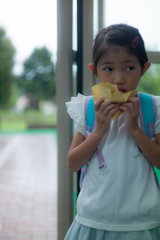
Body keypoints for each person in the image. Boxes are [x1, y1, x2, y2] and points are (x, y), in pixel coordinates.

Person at [65, 24, 160, 240]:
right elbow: (73, 163)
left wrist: (135, 129)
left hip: (141, 223)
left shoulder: (152, 108)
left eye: (129, 68)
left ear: (144, 69)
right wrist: (98, 131)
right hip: (92, 220)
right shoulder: (88, 108)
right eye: (108, 69)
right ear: (94, 71)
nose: (118, 79)